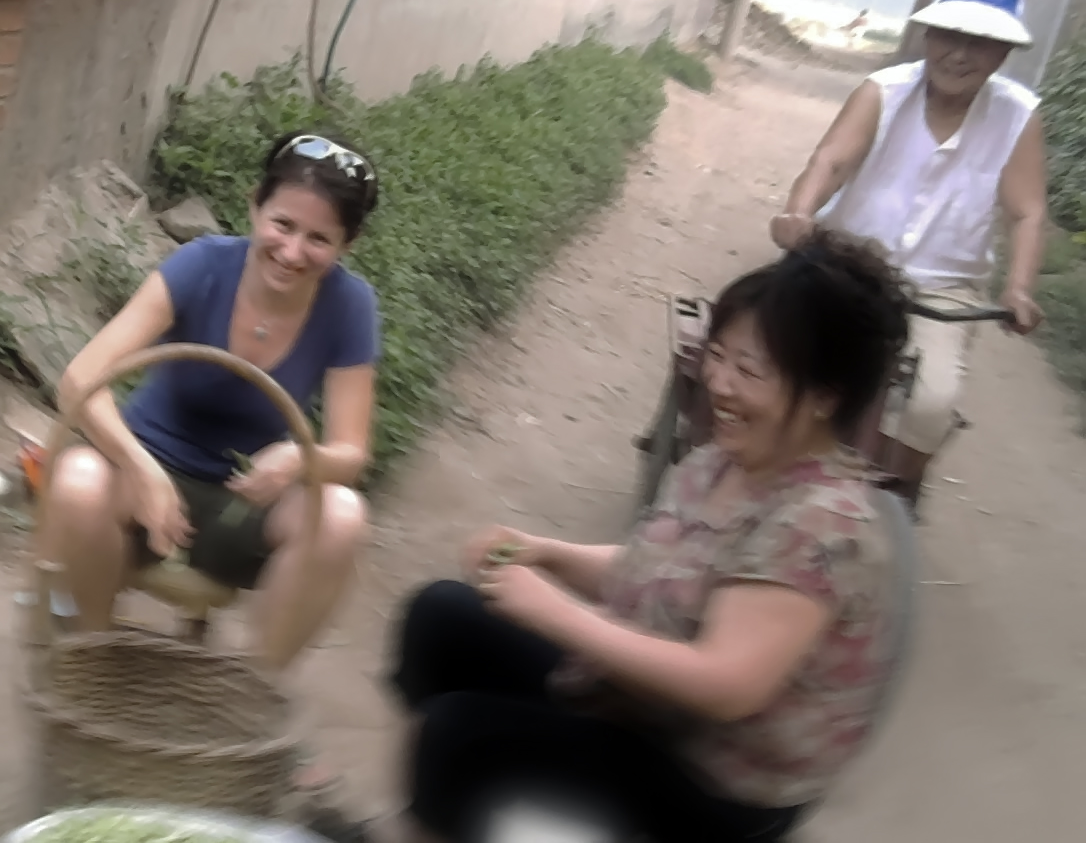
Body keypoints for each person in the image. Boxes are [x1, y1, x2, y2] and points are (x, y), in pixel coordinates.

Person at [382, 229, 910, 843]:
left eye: (749, 370)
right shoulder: (730, 458)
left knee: (458, 736)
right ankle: (469, 815)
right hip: (645, 709)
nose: (719, 383)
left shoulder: (824, 524)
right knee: (442, 616)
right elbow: (662, 570)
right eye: (718, 354)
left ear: (823, 397)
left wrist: (554, 613)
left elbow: (727, 685)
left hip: (710, 782)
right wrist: (547, 555)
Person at [37, 130, 380, 786]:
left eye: (319, 239)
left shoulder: (350, 305)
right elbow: (80, 381)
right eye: (282, 224)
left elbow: (351, 452)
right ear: (255, 206)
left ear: (346, 246)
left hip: (245, 506)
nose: (293, 251)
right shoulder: (201, 265)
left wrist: (296, 460)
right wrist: (139, 467)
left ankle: (246, 704)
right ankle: (95, 668)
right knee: (81, 479)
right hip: (145, 481)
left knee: (341, 513)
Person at [770, 0, 1048, 507]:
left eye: (983, 42)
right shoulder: (883, 91)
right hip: (847, 265)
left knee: (930, 402)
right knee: (789, 364)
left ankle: (887, 493)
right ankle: (766, 462)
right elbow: (831, 159)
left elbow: (1027, 212)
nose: (961, 54)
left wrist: (1017, 289)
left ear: (1004, 54)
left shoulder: (1018, 116)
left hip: (941, 291)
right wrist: (799, 213)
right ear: (928, 33)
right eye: (951, 35)